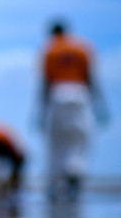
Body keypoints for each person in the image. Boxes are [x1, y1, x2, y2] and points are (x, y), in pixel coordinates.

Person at [38, 19, 110, 199]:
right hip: (80, 95)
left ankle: (55, 182)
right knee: (79, 140)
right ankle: (74, 173)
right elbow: (91, 79)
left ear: (53, 32)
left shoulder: (50, 50)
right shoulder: (82, 48)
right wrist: (100, 106)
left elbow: (45, 83)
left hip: (57, 96)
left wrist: (40, 112)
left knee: (56, 143)